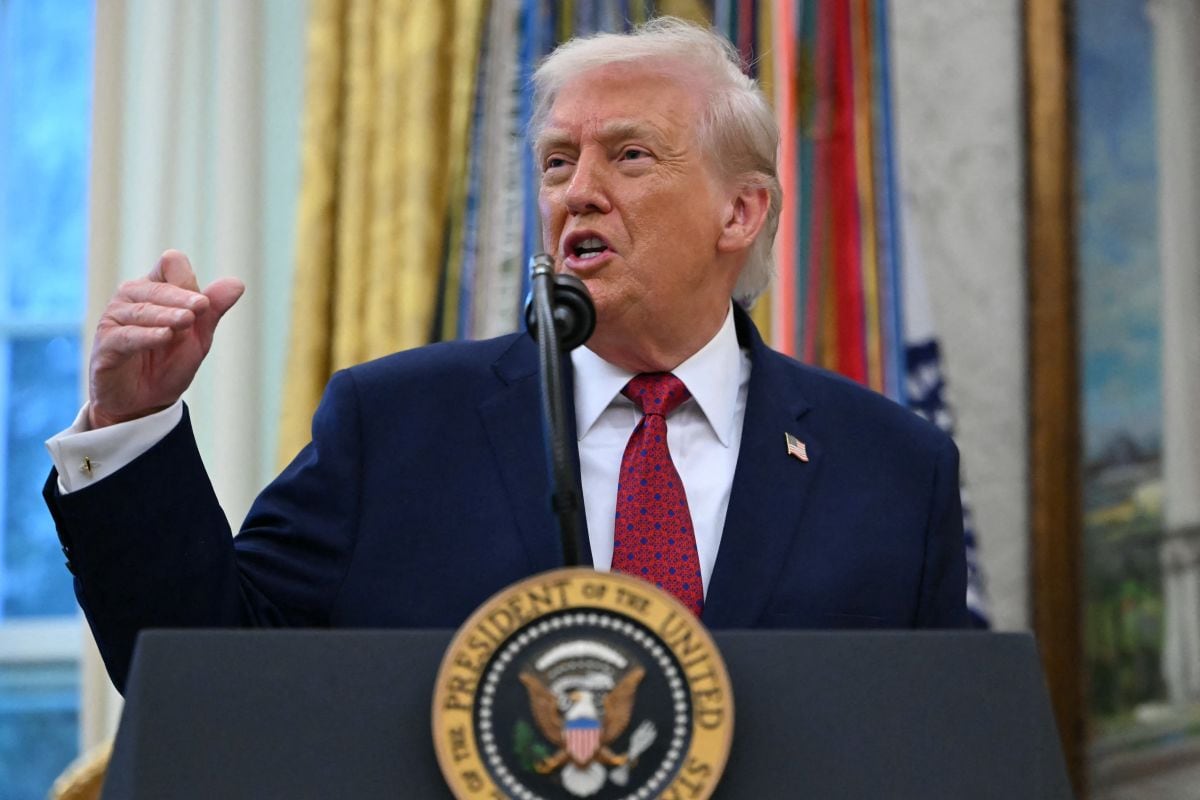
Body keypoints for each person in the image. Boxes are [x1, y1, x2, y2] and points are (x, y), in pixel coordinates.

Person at [43, 18, 968, 692]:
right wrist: (133, 429)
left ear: (743, 211)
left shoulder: (889, 468)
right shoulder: (396, 425)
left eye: (631, 156)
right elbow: (208, 670)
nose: (579, 193)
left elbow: (933, 743)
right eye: (559, 161)